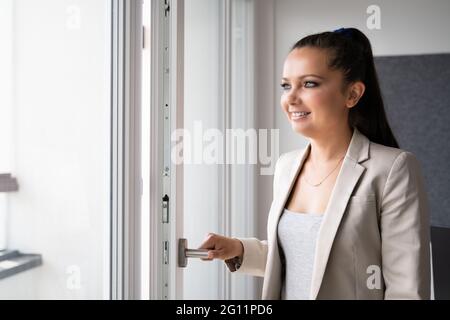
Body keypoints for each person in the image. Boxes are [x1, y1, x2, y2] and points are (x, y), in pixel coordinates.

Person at [199, 27, 431, 300]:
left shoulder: (392, 168)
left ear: (353, 94)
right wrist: (238, 249)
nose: (291, 98)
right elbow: (307, 259)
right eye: (286, 85)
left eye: (309, 83)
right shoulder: (287, 167)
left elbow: (407, 289)